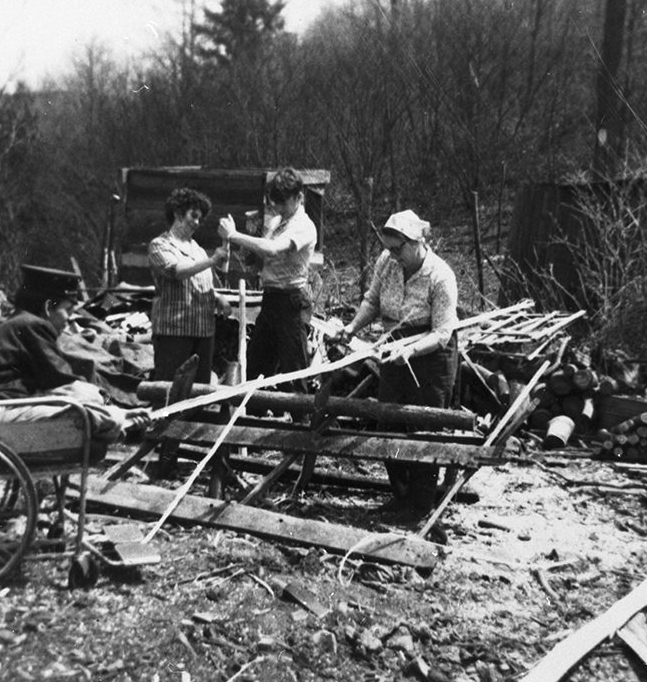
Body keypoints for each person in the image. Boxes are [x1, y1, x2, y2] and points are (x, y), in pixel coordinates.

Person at [334, 210, 459, 521]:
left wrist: (412, 350)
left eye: (397, 249)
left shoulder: (440, 276)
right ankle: (401, 496)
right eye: (388, 249)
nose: (392, 255)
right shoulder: (386, 262)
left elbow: (443, 333)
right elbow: (373, 302)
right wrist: (352, 328)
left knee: (424, 428)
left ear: (416, 242)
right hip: (394, 345)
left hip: (431, 353)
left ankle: (421, 505)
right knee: (388, 421)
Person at [0, 265, 150, 447]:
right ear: (48, 307)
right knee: (88, 398)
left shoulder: (15, 321)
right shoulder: (32, 325)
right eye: (68, 310)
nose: (69, 319)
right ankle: (122, 422)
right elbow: (63, 380)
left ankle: (118, 419)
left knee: (88, 402)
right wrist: (111, 407)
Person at [218, 167, 317, 394]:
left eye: (283, 202)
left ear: (299, 197)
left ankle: (301, 423)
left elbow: (272, 249)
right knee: (257, 365)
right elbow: (263, 260)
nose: (278, 207)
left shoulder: (304, 226)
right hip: (271, 298)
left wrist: (234, 235)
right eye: (275, 202)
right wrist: (248, 253)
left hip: (291, 301)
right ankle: (254, 418)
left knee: (295, 370)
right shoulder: (277, 223)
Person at [149, 187, 232, 385]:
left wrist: (218, 297)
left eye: (200, 219)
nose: (197, 223)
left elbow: (202, 284)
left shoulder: (198, 251)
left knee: (199, 392)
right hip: (174, 333)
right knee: (169, 391)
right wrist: (213, 260)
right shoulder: (160, 245)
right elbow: (178, 271)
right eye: (193, 216)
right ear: (178, 213)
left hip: (203, 332)